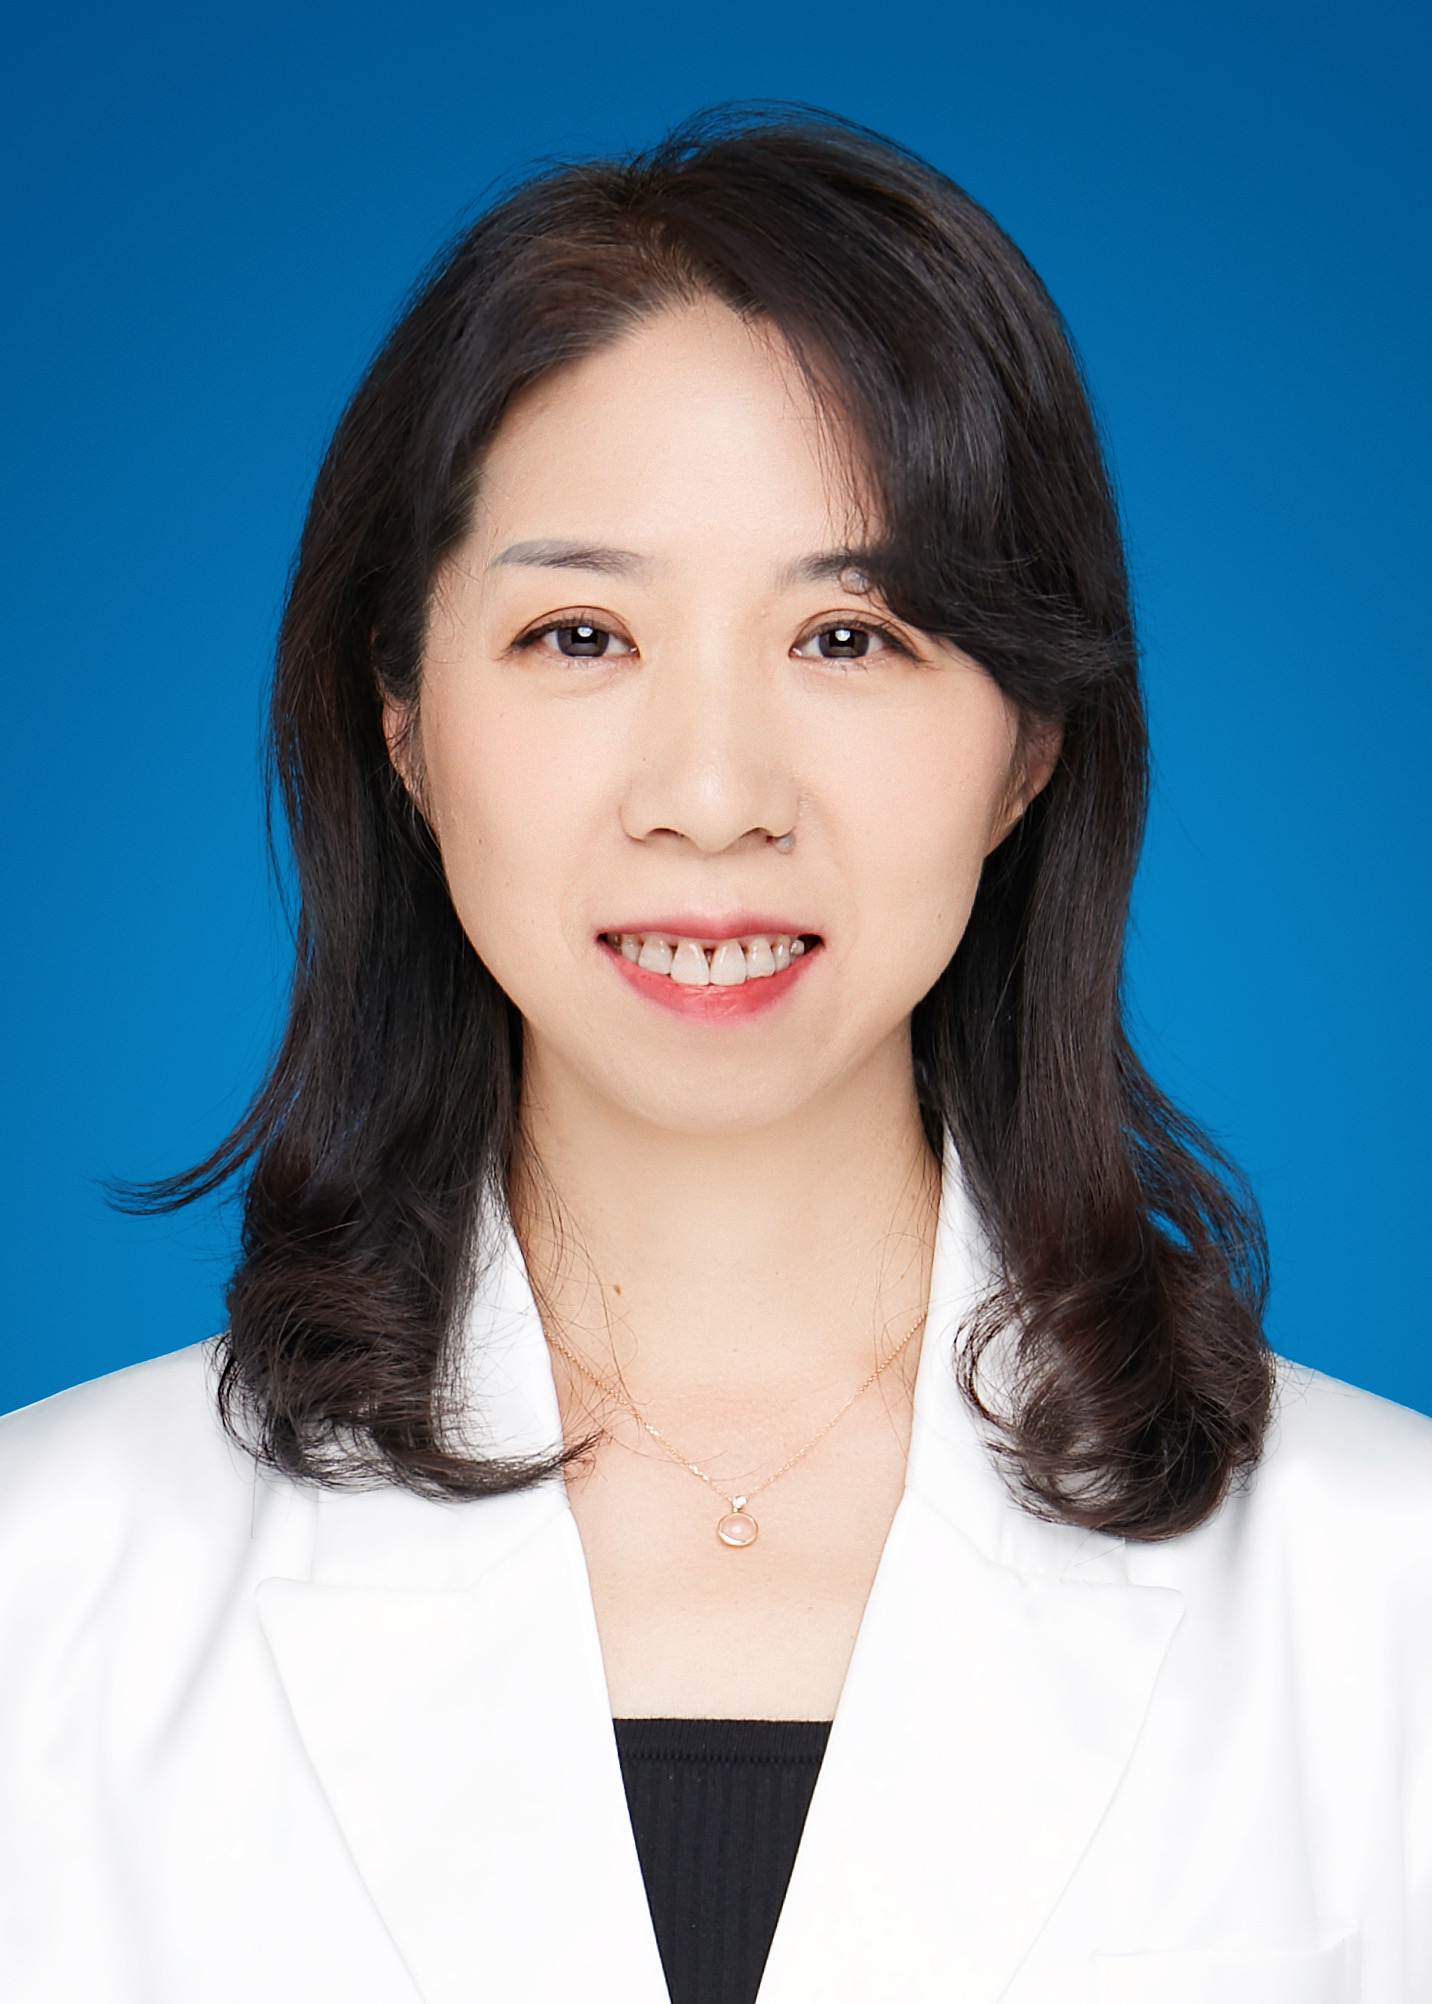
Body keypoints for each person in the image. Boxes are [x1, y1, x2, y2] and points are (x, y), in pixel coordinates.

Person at [0, 108, 1427, 2004]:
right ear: (402, 721)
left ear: (1030, 745)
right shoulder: (46, 1588)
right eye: (581, 633)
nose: (710, 794)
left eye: (850, 635)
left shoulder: (1385, 1593)